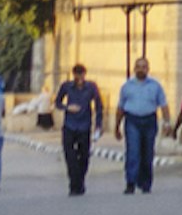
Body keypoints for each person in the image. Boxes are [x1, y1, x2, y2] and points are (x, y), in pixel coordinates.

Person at [114, 62, 165, 192]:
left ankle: (145, 183)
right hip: (132, 120)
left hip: (149, 120)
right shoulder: (127, 86)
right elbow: (120, 107)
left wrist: (167, 123)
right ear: (134, 68)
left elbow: (163, 105)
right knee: (133, 152)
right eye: (138, 67)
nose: (141, 69)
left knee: (147, 153)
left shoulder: (155, 86)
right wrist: (117, 126)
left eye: (144, 67)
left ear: (148, 69)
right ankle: (130, 182)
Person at [53, 65, 102, 196]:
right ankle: (74, 185)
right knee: (70, 157)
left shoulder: (91, 87)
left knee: (84, 156)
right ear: (73, 75)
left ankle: (80, 181)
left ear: (84, 75)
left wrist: (98, 125)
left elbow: (98, 106)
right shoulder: (67, 86)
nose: (79, 78)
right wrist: (67, 107)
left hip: (85, 126)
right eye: (76, 75)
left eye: (81, 75)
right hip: (69, 125)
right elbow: (57, 102)